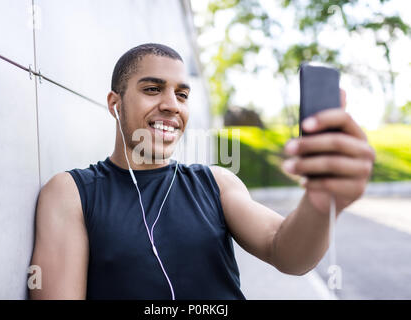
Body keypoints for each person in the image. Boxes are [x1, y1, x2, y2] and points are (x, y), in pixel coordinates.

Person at [29, 43, 375, 300]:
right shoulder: (72, 192)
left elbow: (287, 253)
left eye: (182, 94)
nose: (171, 105)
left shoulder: (216, 182)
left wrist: (320, 201)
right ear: (114, 103)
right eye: (152, 89)